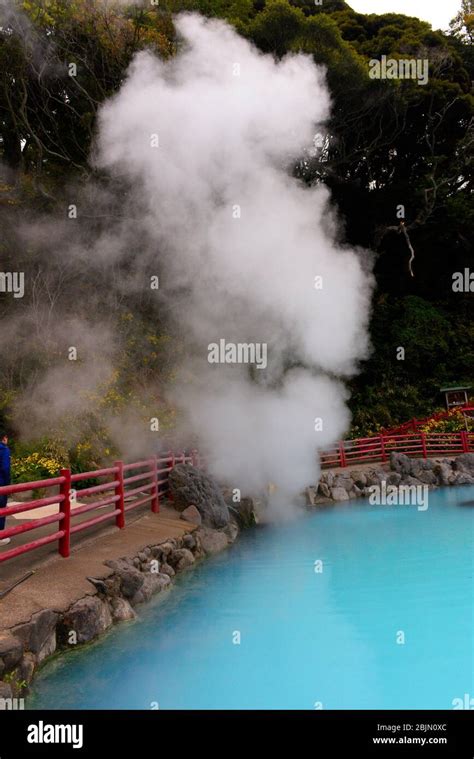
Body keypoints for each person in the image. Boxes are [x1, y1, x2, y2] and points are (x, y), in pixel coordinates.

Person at [0, 433, 11, 546]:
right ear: (4, 438)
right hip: (1, 483)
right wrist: (8, 484)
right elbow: (5, 468)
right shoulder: (4, 449)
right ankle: (0, 536)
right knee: (1, 509)